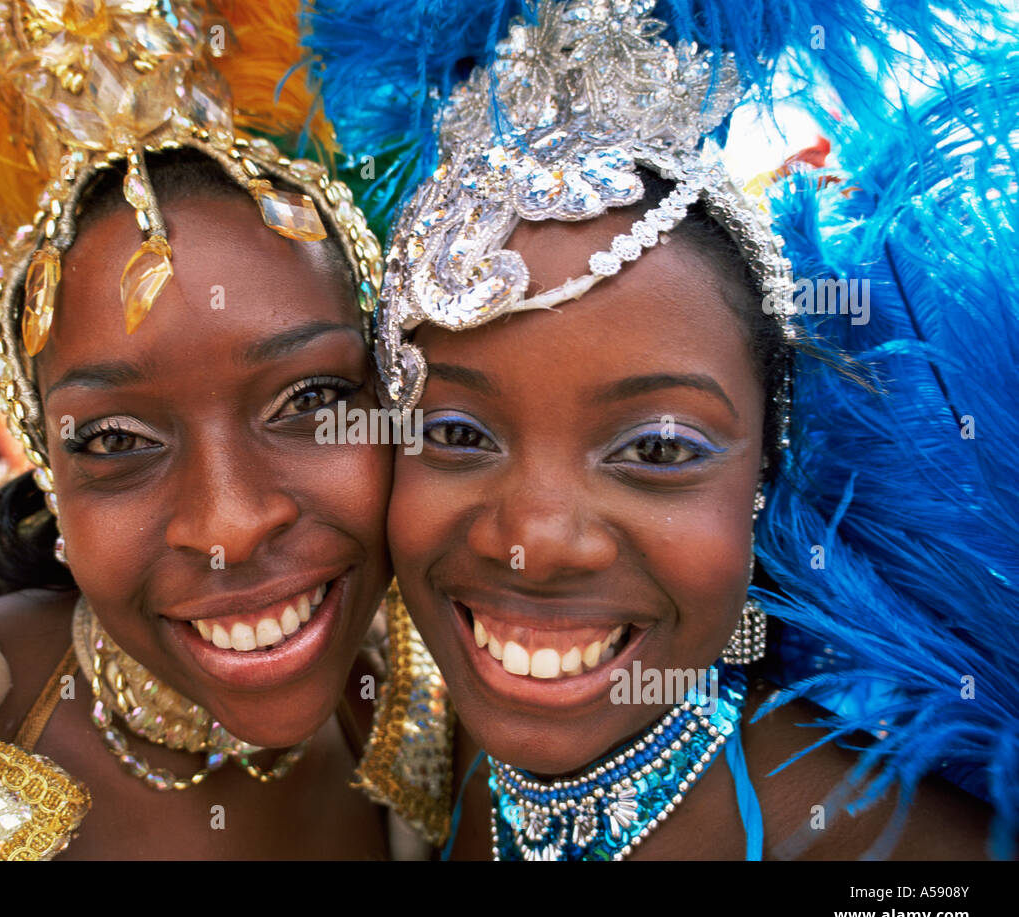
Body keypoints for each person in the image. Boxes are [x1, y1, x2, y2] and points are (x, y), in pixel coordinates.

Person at [0, 0, 451, 860]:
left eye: (311, 400)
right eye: (114, 441)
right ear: (48, 467)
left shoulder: (437, 717)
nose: (230, 526)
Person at [304, 0, 1019, 859]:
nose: (536, 538)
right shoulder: (427, 733)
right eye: (458, 435)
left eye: (656, 449)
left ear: (766, 473)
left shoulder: (903, 858)